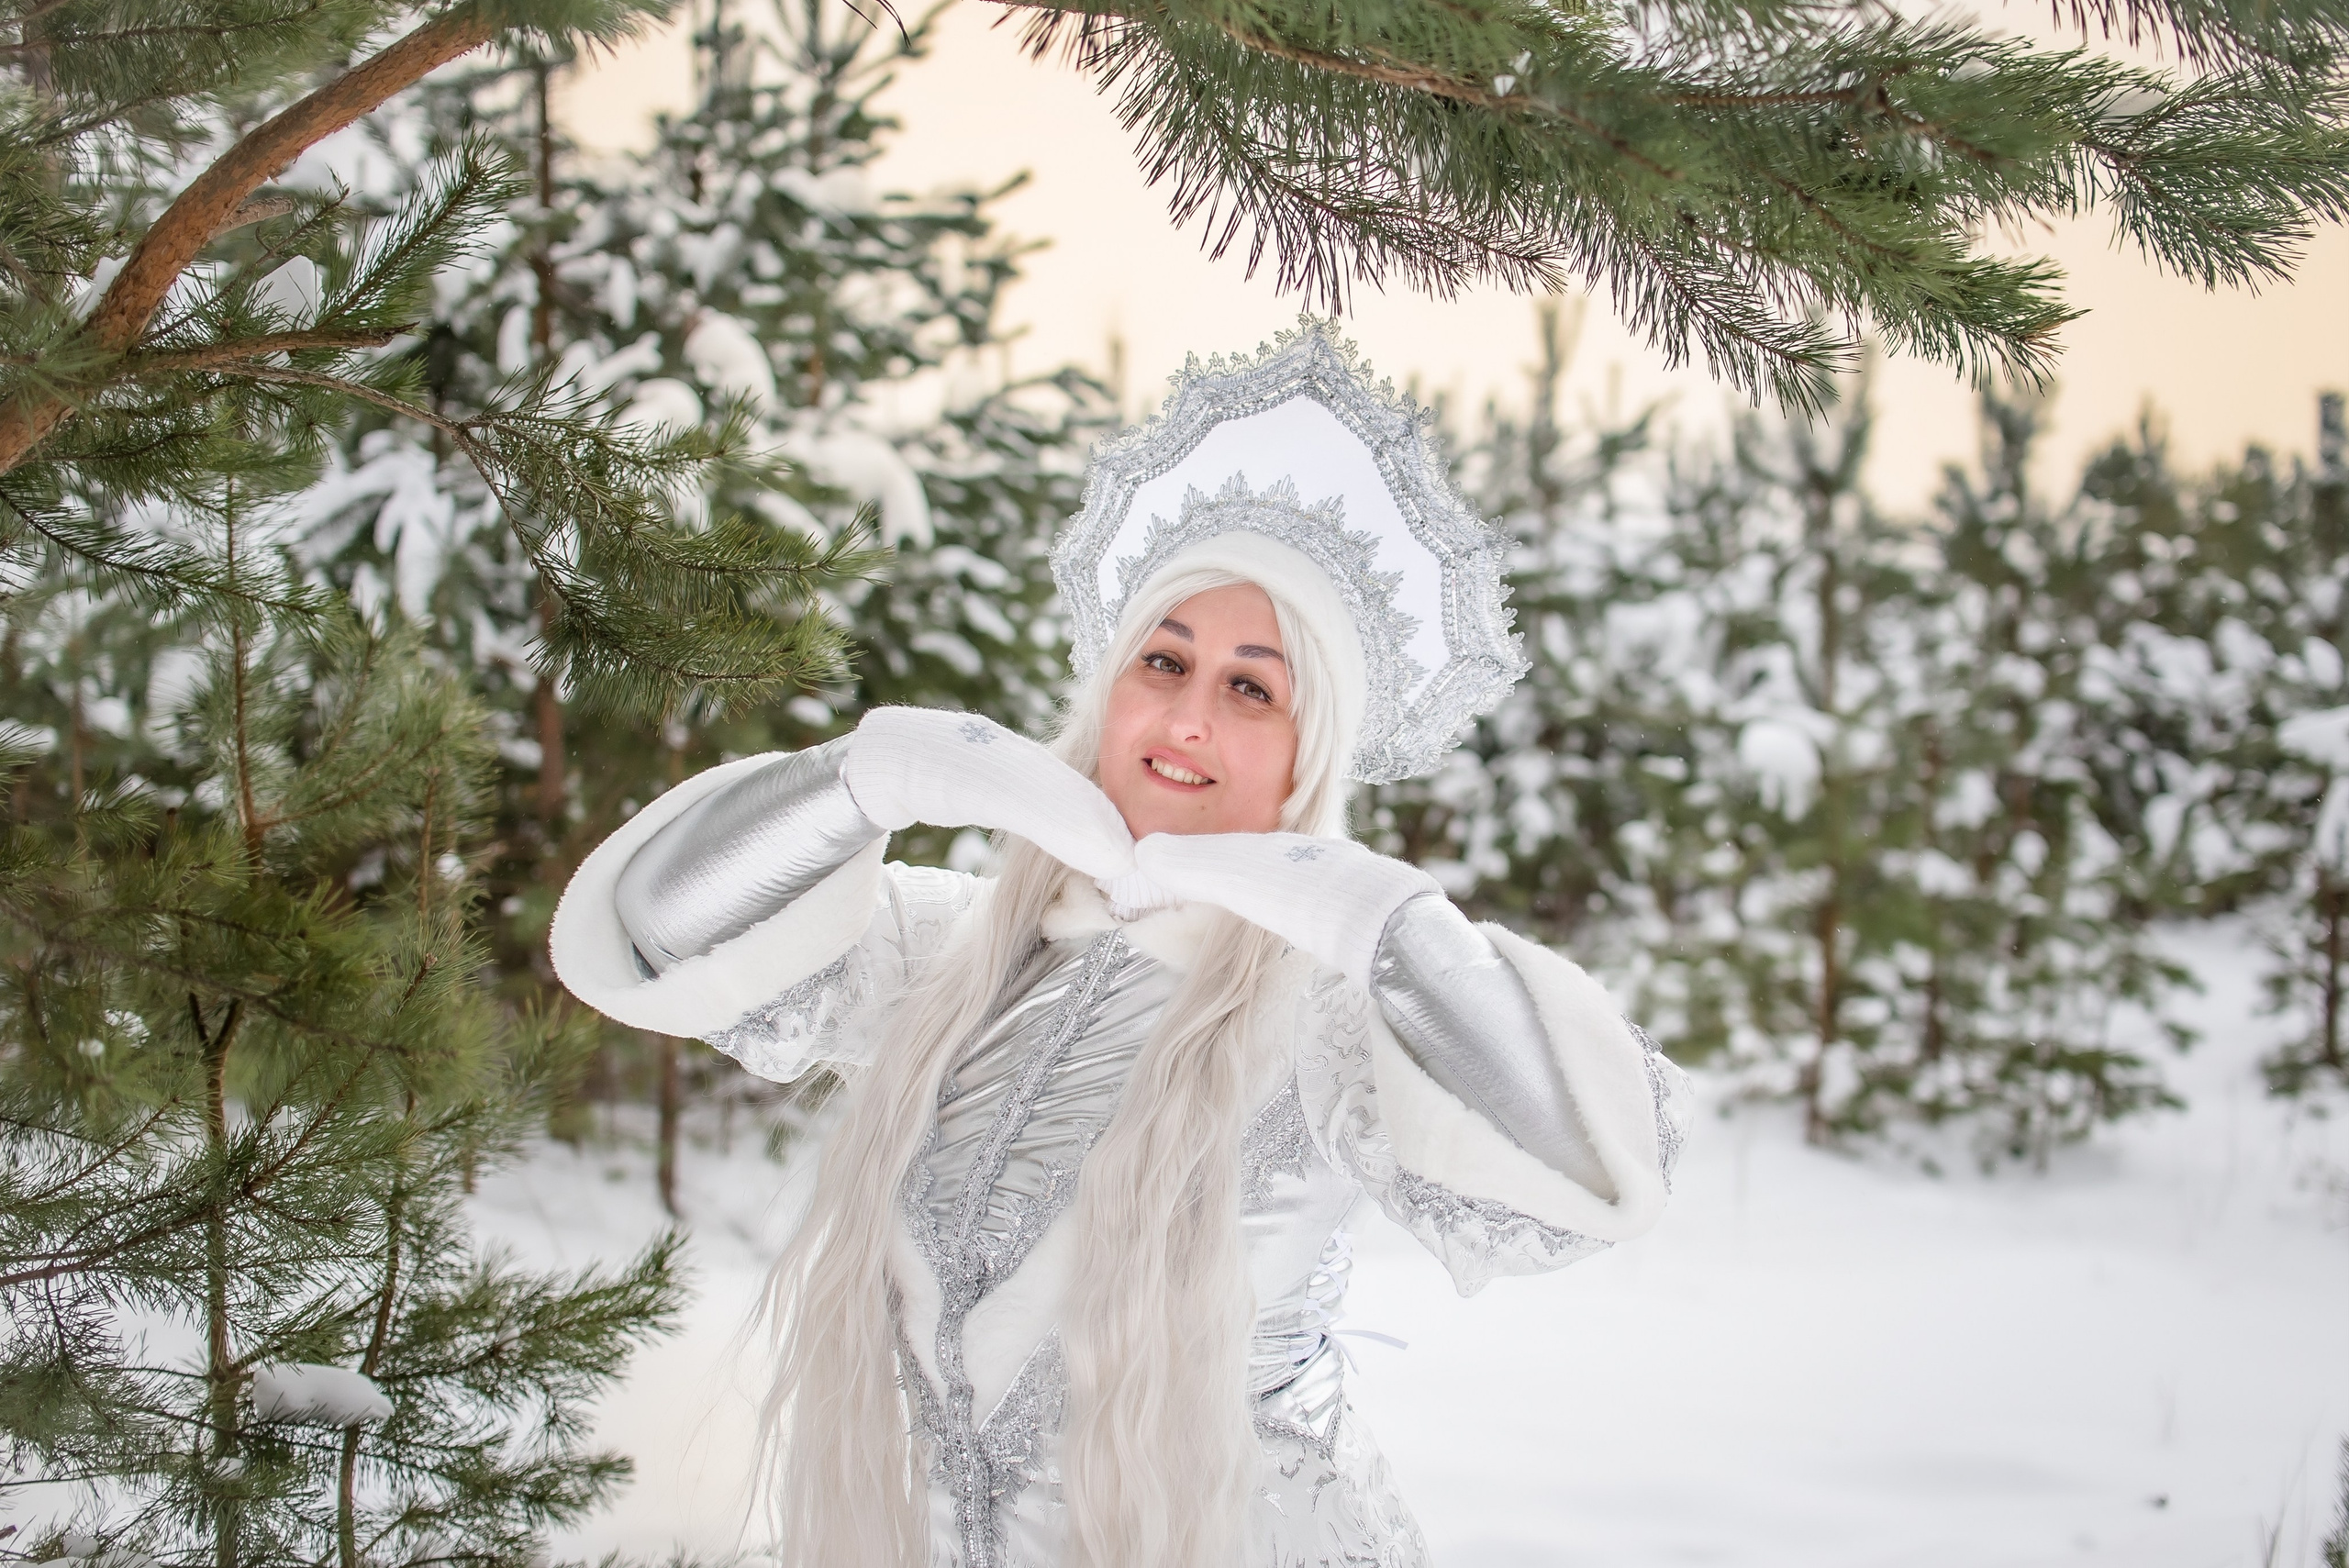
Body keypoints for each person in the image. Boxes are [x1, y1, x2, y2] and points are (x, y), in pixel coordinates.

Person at [549, 323, 1691, 1568]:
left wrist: (1386, 925)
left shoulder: (1336, 1017)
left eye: (1254, 687)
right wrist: (861, 776)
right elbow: (657, 930)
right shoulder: (960, 952)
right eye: (1164, 659)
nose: (1188, 714)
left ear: (1314, 755)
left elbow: (1585, 1165)